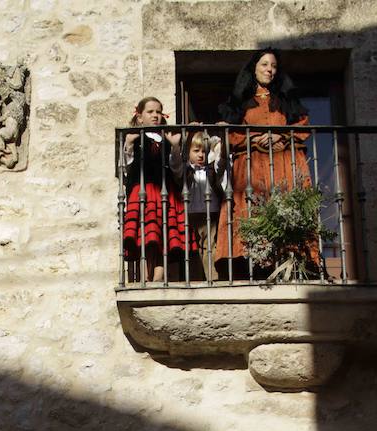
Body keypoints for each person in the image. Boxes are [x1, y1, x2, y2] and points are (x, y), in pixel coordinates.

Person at [214, 48, 319, 278]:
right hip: (251, 167)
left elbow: (303, 126)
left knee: (287, 211)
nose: (269, 70)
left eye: (273, 66)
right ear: (253, 69)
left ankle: (290, 266)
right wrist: (252, 138)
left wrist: (279, 135)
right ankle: (253, 266)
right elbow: (230, 133)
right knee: (252, 213)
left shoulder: (286, 100)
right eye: (264, 64)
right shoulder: (241, 102)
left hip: (284, 164)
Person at [123, 97, 195, 282]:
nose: (155, 115)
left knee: (163, 235)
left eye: (158, 112)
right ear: (139, 117)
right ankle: (145, 278)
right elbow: (125, 168)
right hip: (143, 192)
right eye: (150, 112)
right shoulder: (133, 138)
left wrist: (175, 146)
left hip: (165, 192)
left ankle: (157, 279)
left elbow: (177, 169)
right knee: (146, 234)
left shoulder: (167, 139)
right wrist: (129, 144)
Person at [169, 130, 227, 281]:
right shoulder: (186, 170)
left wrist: (216, 144)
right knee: (193, 249)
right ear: (187, 152)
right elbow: (175, 166)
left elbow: (220, 162)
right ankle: (195, 280)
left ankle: (212, 278)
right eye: (196, 151)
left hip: (210, 213)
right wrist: (175, 147)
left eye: (204, 151)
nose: (201, 155)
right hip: (190, 214)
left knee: (210, 247)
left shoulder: (211, 169)